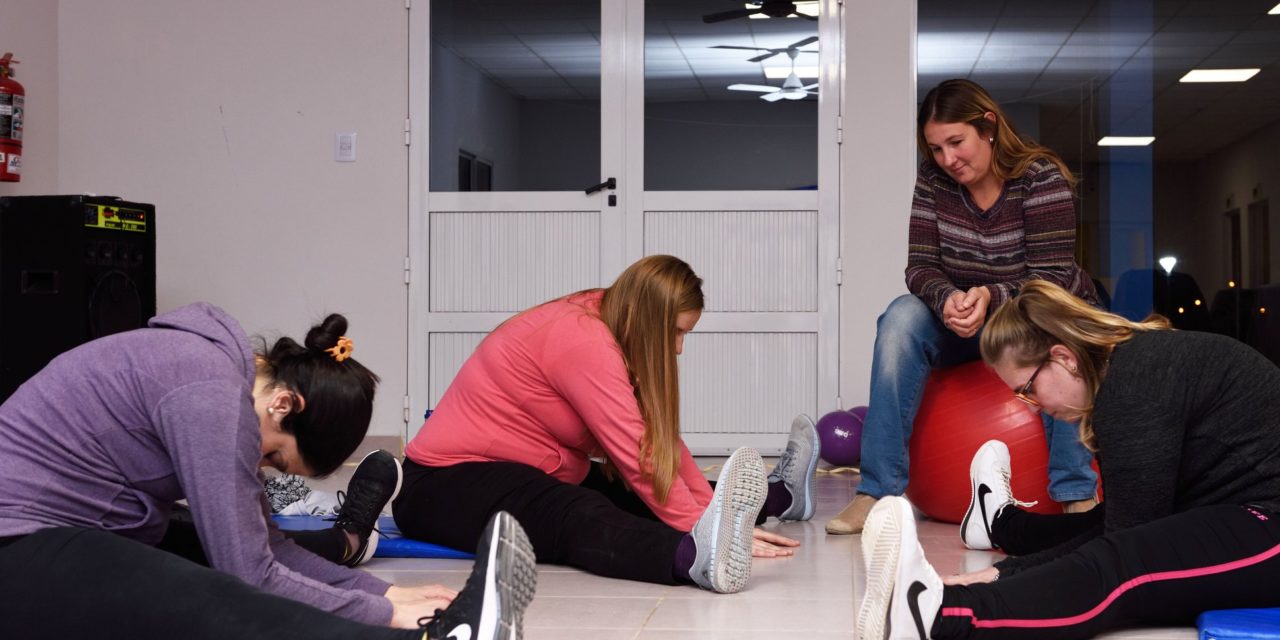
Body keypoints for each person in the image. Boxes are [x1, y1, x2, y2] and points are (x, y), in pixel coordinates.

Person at [0, 303, 536, 639]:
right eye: (275, 456)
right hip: (19, 549)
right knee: (203, 589)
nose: (262, 467)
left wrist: (384, 595)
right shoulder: (208, 395)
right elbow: (247, 572)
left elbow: (267, 549)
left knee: (205, 549)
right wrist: (382, 617)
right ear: (284, 404)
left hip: (71, 534)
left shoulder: (217, 375)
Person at [856, 279, 1280, 639]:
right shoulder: (1127, 368)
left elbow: (1126, 538)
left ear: (1062, 358)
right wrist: (1010, 570)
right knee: (1102, 525)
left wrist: (1003, 576)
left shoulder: (1135, 386)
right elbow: (1117, 520)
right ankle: (1001, 524)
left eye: (1027, 390)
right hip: (1233, 507)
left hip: (1268, 521)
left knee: (1123, 562)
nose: (1032, 407)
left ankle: (940, 615)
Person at [394, 254, 821, 594]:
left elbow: (660, 445)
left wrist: (704, 514)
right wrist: (698, 529)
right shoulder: (582, 337)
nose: (678, 349)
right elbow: (639, 454)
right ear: (649, 319)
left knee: (637, 493)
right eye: (676, 332)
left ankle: (781, 497)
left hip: (523, 471)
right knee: (577, 512)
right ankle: (695, 558)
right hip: (440, 485)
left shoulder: (613, 315)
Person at [826, 78, 1100, 536]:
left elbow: (1051, 280)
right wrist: (946, 298)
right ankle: (877, 491)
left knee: (1060, 330)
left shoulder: (1040, 177)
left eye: (957, 142)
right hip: (965, 325)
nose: (948, 160)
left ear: (988, 126)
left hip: (1035, 320)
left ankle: (1075, 496)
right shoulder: (934, 182)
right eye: (936, 149)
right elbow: (920, 267)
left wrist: (992, 296)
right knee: (900, 318)